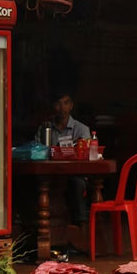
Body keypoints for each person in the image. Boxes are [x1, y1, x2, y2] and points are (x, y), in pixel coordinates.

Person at [34, 91, 91, 249]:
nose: (61, 107)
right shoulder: (45, 127)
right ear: (53, 106)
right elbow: (37, 149)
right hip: (50, 174)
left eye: (66, 103)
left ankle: (81, 229)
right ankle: (39, 231)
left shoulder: (81, 129)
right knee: (37, 185)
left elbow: (86, 153)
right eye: (58, 103)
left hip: (74, 174)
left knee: (77, 184)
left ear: (71, 105)